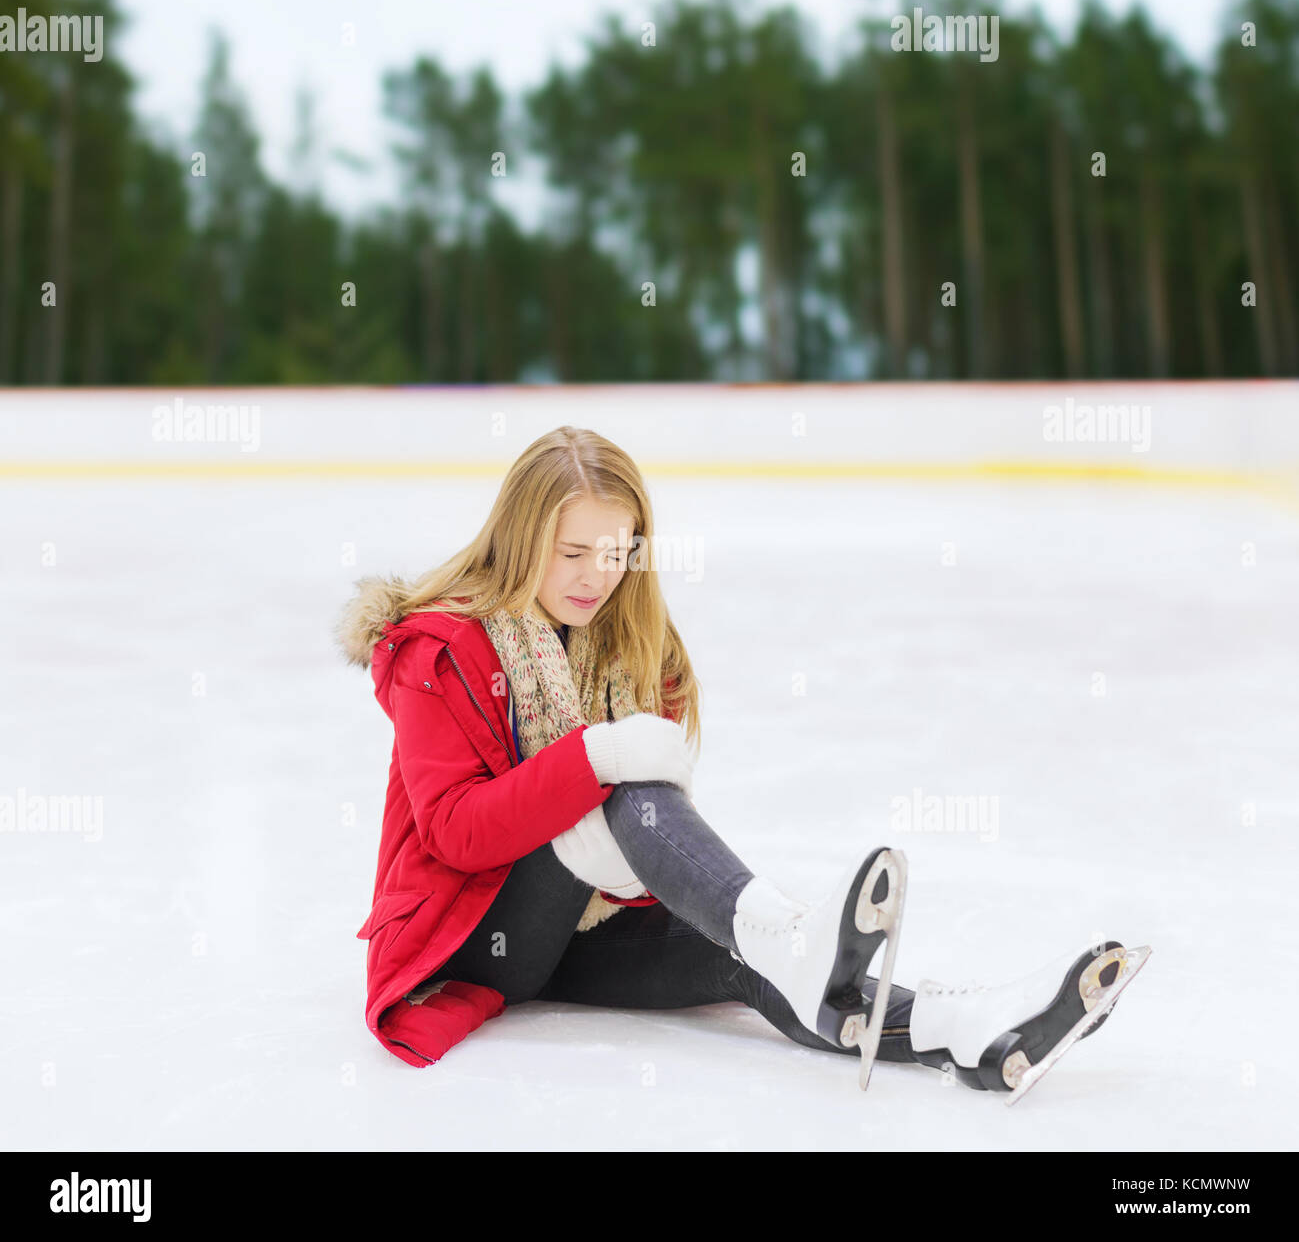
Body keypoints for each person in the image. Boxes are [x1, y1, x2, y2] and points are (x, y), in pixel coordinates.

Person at [335, 425, 1147, 1097]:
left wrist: (620, 851)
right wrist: (596, 756)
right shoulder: (439, 649)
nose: (597, 576)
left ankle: (960, 1027)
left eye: (617, 551)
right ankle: (790, 935)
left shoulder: (636, 641)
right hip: (475, 938)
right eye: (572, 551)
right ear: (520, 539)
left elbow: (651, 819)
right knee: (626, 793)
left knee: (753, 964)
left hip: (592, 931)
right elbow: (454, 834)